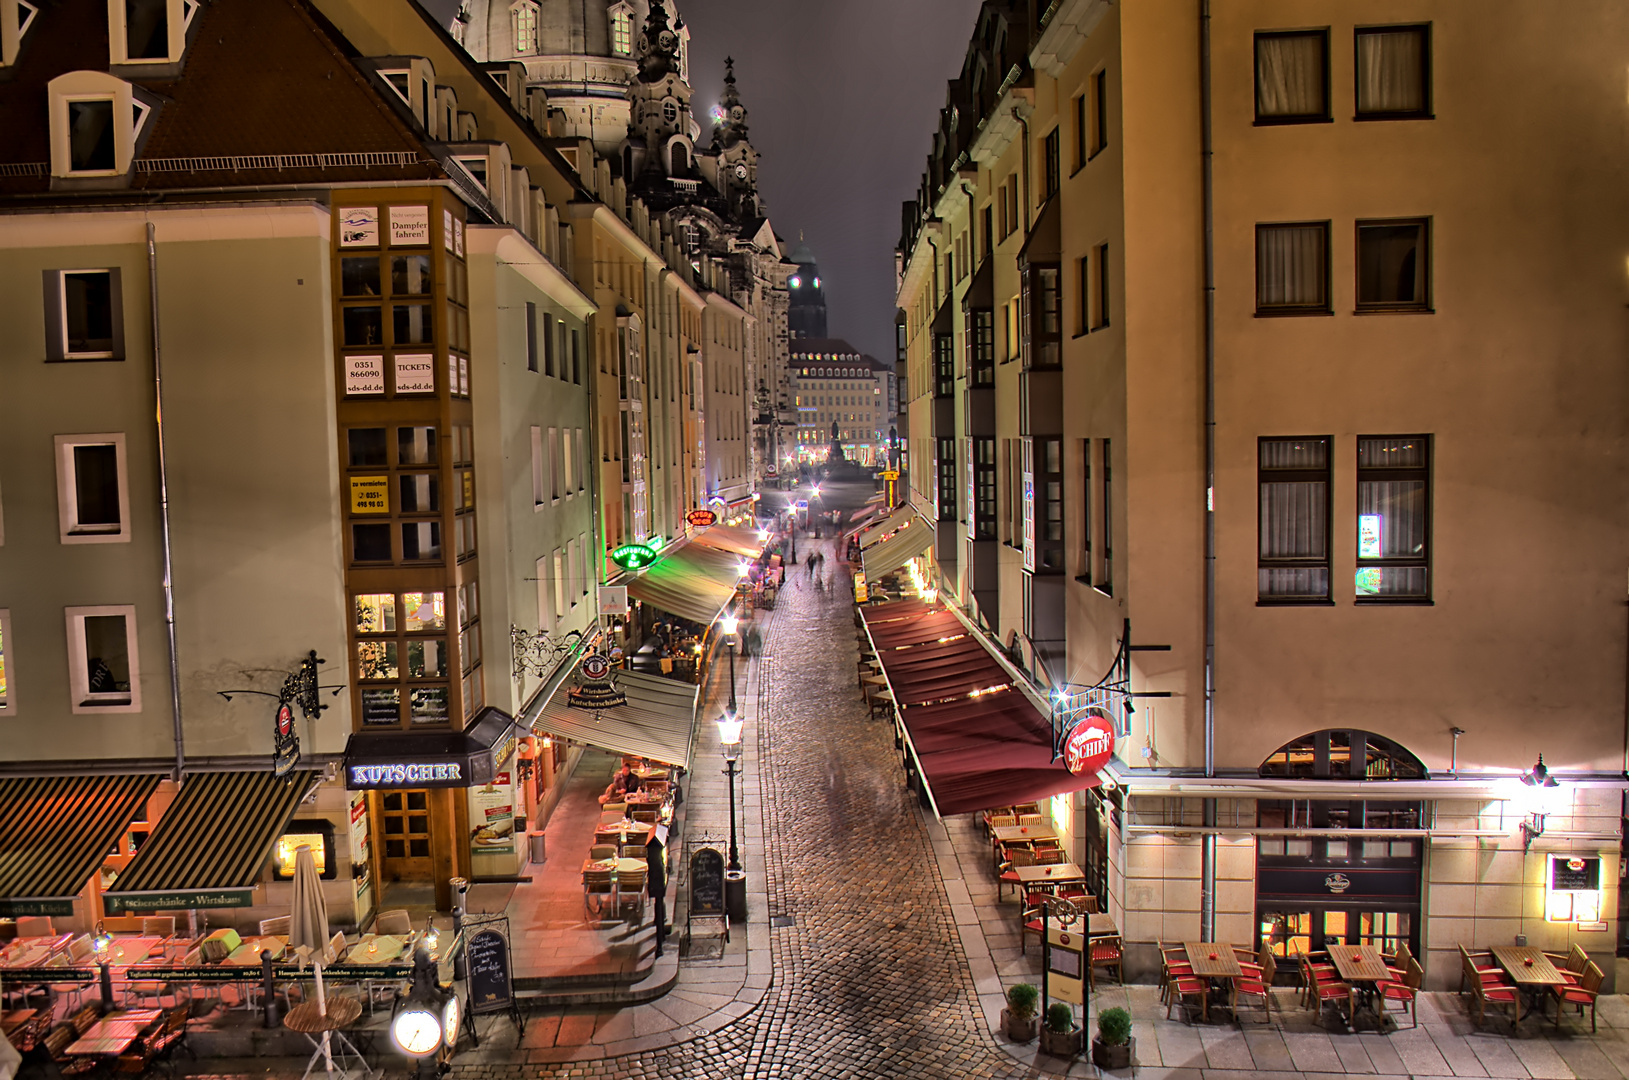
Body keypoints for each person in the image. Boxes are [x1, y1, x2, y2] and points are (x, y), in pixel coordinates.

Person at [646, 825, 669, 958]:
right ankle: (659, 945)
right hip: (658, 881)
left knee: (659, 904)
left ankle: (660, 943)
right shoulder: (658, 856)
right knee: (659, 904)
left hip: (658, 881)